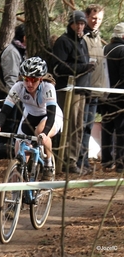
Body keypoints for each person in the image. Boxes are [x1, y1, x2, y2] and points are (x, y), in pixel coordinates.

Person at [0, 57, 63, 180]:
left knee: (40, 132)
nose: (29, 83)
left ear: (40, 79)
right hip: (30, 116)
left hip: (50, 116)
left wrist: (45, 133)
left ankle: (49, 164)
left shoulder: (48, 88)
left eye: (33, 80)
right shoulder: (18, 87)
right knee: (19, 154)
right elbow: (5, 111)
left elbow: (51, 115)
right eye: (26, 79)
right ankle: (18, 192)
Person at [52, 10, 95, 174]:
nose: (80, 26)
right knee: (68, 127)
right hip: (68, 92)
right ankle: (64, 161)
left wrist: (88, 91)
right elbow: (58, 67)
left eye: (83, 23)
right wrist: (83, 67)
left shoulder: (82, 42)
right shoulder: (63, 42)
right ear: (70, 24)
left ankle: (72, 161)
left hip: (81, 90)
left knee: (78, 127)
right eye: (77, 23)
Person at [78, 4, 105, 172]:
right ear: (87, 17)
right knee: (81, 126)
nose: (96, 21)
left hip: (95, 89)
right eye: (93, 18)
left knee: (88, 126)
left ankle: (84, 160)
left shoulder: (97, 37)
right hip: (83, 89)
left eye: (99, 19)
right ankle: (79, 160)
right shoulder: (82, 37)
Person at [0, 23, 26, 157]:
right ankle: (0, 153)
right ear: (24, 37)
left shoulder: (21, 51)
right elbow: (11, 78)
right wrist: (17, 97)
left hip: (17, 97)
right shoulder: (12, 52)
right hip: (10, 96)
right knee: (7, 127)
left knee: (14, 126)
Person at [101, 23, 124, 173]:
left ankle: (106, 160)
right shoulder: (122, 50)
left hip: (105, 93)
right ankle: (121, 162)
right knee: (121, 129)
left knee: (107, 127)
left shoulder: (105, 49)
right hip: (120, 95)